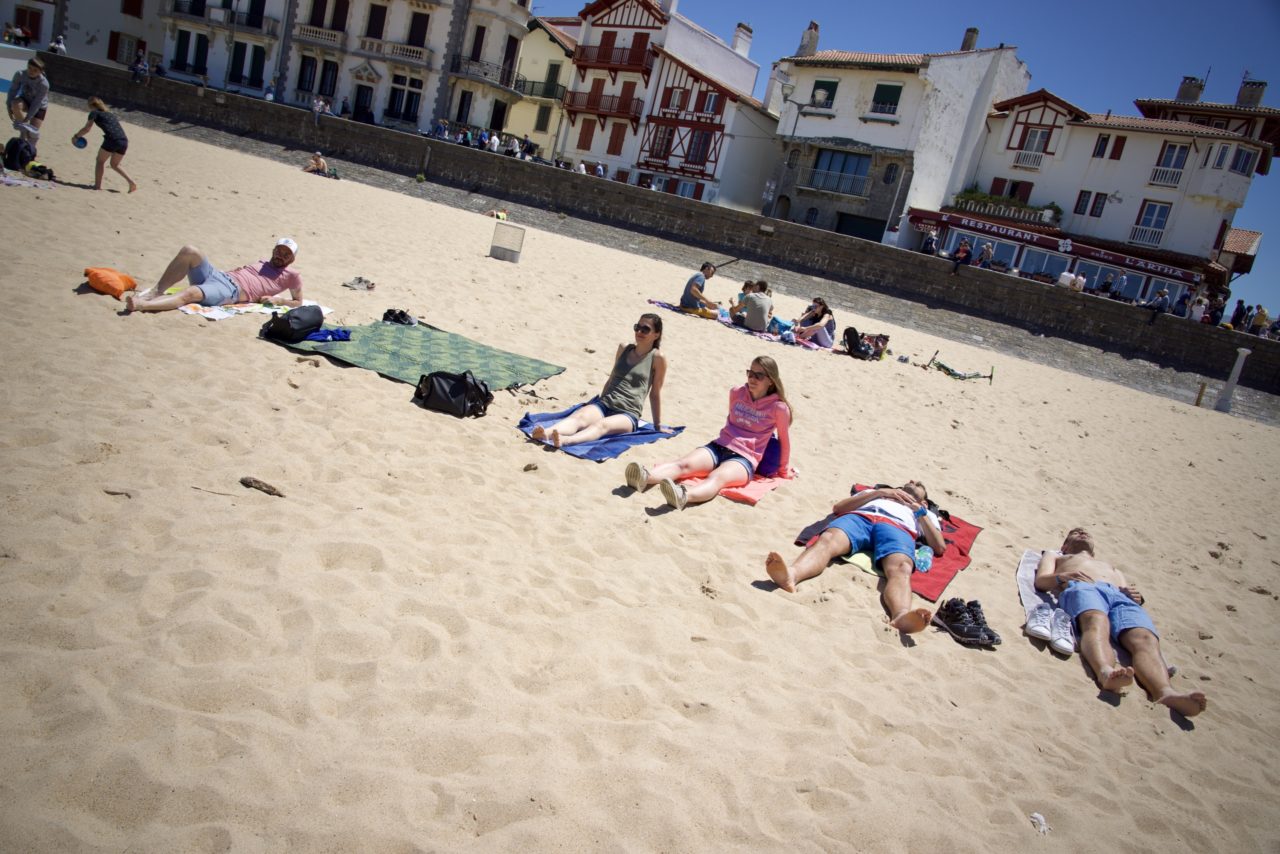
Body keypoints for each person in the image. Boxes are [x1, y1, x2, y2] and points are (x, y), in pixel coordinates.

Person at [1036, 528, 1206, 717]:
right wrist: (1063, 577)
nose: (1082, 533)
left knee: (1146, 638)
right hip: (1084, 586)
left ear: (1094, 549)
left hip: (1119, 595)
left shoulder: (1111, 567)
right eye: (1075, 533)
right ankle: (1106, 672)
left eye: (1086, 533)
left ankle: (1165, 692)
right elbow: (1041, 581)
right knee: (1096, 621)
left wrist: (1137, 597)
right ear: (1065, 545)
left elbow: (1126, 589)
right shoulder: (1057, 556)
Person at [765, 481, 944, 633]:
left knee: (901, 567)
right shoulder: (877, 493)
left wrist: (920, 512)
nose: (914, 480)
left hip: (898, 528)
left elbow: (939, 546)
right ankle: (791, 575)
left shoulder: (924, 512)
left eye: (919, 484)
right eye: (910, 481)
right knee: (827, 540)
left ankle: (901, 615)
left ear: (925, 502)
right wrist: (880, 493)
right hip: (861, 518)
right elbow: (839, 508)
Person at [625, 356, 792, 510]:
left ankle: (683, 495)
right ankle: (644, 478)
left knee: (717, 477)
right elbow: (730, 422)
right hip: (719, 446)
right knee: (683, 465)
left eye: (759, 375)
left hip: (745, 458)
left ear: (770, 380)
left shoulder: (778, 408)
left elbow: (784, 441)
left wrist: (783, 471)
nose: (752, 379)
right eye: (750, 373)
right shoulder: (737, 392)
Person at [532, 314, 669, 448]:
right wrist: (598, 403)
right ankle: (546, 433)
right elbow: (612, 378)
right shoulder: (624, 348)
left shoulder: (657, 358)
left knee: (602, 425)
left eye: (645, 329)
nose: (639, 331)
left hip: (628, 413)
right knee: (579, 417)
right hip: (605, 403)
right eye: (637, 327)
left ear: (656, 334)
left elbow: (655, 393)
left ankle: (566, 441)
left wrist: (657, 425)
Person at [125, 238, 303, 314]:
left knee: (190, 293)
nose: (281, 255)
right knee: (190, 251)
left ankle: (144, 305)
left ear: (292, 259)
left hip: (231, 290)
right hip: (219, 275)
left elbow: (298, 302)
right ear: (273, 250)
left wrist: (279, 301)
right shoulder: (262, 262)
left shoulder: (292, 275)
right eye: (279, 250)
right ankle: (157, 291)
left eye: (286, 254)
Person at [71, 97, 137, 193]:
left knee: (100, 161)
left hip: (112, 139)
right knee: (114, 165)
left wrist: (76, 136)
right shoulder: (110, 114)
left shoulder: (94, 113)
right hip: (123, 140)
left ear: (91, 105)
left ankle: (97, 186)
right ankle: (131, 182)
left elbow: (87, 128)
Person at [7, 57, 49, 134]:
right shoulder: (20, 74)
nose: (31, 71)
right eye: (29, 68)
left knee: (31, 134)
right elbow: (12, 91)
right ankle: (23, 129)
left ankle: (25, 132)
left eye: (35, 70)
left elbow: (37, 102)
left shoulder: (44, 84)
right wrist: (9, 107)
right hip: (25, 100)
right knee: (15, 104)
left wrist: (28, 117)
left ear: (41, 71)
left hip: (40, 106)